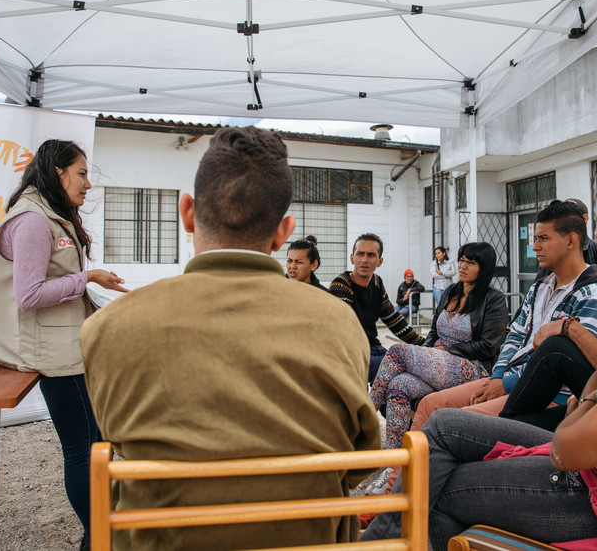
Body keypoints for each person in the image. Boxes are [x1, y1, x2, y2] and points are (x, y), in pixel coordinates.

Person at [361, 187, 597, 551]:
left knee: (438, 486)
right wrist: (596, 408)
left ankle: (377, 542)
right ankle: (382, 538)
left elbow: (567, 449)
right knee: (444, 425)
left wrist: (586, 414)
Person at [80, 127, 380, 551]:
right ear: (283, 231)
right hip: (307, 540)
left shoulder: (107, 327)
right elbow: (358, 459)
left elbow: (119, 439)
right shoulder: (339, 322)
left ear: (187, 213)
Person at [0, 139, 129, 549]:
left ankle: (101, 531)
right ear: (58, 172)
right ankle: (99, 536)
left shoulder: (48, 215)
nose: (87, 184)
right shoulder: (31, 221)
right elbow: (29, 295)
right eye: (81, 174)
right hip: (55, 357)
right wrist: (89, 278)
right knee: (85, 450)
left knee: (97, 445)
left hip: (68, 349)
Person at [410, 201, 597, 424]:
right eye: (535, 238)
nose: (535, 246)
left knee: (448, 422)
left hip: (552, 393)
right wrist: (498, 377)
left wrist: (505, 384)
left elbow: (572, 364)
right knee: (429, 404)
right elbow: (515, 335)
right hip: (507, 378)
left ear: (571, 240)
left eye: (543, 239)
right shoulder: (540, 287)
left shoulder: (595, 292)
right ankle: (404, 459)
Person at [500, 190, 597, 430]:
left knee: (453, 424)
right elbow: (517, 334)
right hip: (592, 400)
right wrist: (585, 399)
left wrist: (567, 327)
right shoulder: (541, 286)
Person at [372, 242, 507, 452]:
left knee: (397, 351)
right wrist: (425, 353)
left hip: (472, 367)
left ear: (484, 268)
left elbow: (488, 346)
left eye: (470, 263)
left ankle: (369, 410)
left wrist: (449, 351)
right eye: (462, 260)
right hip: (439, 363)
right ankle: (395, 462)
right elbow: (434, 331)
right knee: (399, 385)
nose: (462, 266)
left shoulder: (493, 298)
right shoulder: (451, 291)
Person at [330, 234, 425, 384]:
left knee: (407, 369)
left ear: (380, 261)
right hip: (346, 352)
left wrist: (424, 344)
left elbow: (393, 319)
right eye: (360, 254)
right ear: (352, 258)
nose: (364, 259)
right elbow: (343, 329)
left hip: (372, 346)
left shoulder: (377, 283)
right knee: (388, 370)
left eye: (371, 255)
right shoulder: (341, 285)